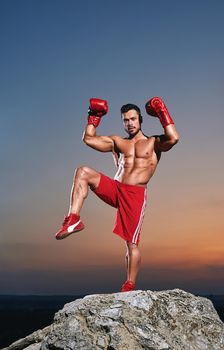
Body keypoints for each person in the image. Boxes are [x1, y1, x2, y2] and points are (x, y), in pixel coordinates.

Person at [55, 96, 179, 292]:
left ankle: (129, 284)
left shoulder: (154, 142)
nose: (129, 123)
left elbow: (174, 138)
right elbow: (88, 139)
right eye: (125, 120)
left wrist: (162, 112)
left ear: (140, 120)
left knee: (131, 244)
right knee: (82, 172)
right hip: (115, 189)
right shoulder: (117, 142)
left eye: (133, 119)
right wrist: (93, 117)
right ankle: (74, 219)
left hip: (134, 195)